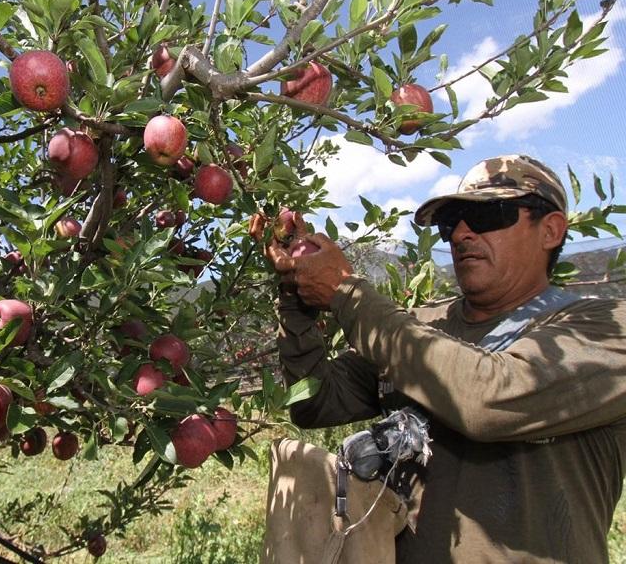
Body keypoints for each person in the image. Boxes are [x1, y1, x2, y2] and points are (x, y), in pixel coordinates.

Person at [251, 155, 626, 563]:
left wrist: (346, 293)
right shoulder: (424, 326)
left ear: (550, 230)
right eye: (451, 223)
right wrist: (296, 294)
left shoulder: (603, 329)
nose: (461, 234)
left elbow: (487, 399)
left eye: (485, 216)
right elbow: (316, 401)